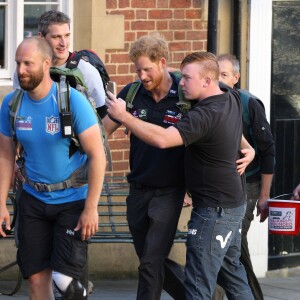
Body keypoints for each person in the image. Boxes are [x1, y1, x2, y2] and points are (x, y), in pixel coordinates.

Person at [106, 51, 255, 299]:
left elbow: (164, 139)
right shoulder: (230, 96)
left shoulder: (203, 115)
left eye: (186, 78)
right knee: (234, 279)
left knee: (197, 286)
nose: (180, 82)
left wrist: (124, 117)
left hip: (213, 212)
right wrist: (247, 147)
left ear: (208, 81)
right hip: (231, 205)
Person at [0, 37, 106, 299]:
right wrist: (0, 202)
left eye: (28, 63)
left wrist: (91, 208)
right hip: (33, 200)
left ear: (46, 64)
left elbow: (97, 155)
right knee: (37, 280)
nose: (21, 70)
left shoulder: (72, 102)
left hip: (72, 201)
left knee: (64, 279)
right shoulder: (11, 105)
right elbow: (5, 156)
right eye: (17, 63)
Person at [213, 53, 275, 300]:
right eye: (214, 74)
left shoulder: (250, 104)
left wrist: (264, 195)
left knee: (232, 240)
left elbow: (268, 150)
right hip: (221, 184)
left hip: (249, 182)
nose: (219, 80)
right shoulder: (207, 102)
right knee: (228, 243)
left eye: (224, 75)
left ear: (236, 78)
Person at [13, 10, 107, 119]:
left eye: (67, 36)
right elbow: (18, 108)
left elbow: (102, 116)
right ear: (41, 37)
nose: (63, 43)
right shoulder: (25, 69)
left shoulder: (85, 70)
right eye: (56, 37)